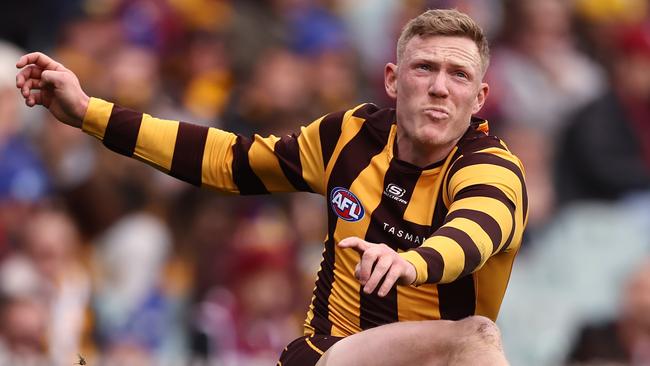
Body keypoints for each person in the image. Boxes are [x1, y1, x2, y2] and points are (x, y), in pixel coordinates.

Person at [15, 8, 527, 366]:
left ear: (480, 97)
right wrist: (88, 112)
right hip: (333, 355)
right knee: (477, 337)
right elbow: (226, 160)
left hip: (427, 362)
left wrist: (412, 263)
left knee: (476, 337)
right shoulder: (346, 136)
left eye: (458, 75)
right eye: (425, 68)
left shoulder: (491, 169)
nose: (439, 87)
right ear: (393, 79)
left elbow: (473, 231)